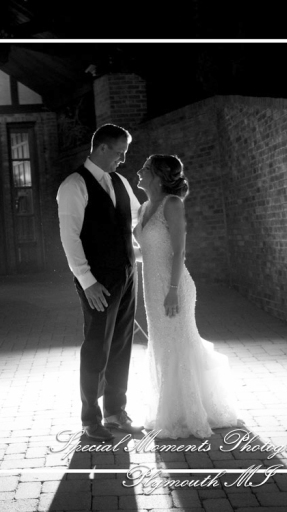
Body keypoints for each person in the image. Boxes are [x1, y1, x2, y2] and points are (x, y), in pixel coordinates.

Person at [135, 155, 241, 438]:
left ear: (157, 177)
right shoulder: (145, 207)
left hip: (174, 286)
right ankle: (172, 410)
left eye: (144, 169)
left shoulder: (172, 204)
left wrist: (172, 291)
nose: (138, 172)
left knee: (178, 344)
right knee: (162, 344)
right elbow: (146, 251)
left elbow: (179, 251)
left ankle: (190, 413)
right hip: (152, 288)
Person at [56, 124, 142, 442]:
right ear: (102, 148)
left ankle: (116, 411)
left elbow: (135, 220)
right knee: (96, 347)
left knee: (121, 344)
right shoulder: (74, 185)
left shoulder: (120, 182)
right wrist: (87, 280)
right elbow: (69, 236)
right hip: (98, 280)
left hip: (127, 274)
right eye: (119, 153)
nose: (122, 160)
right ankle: (90, 419)